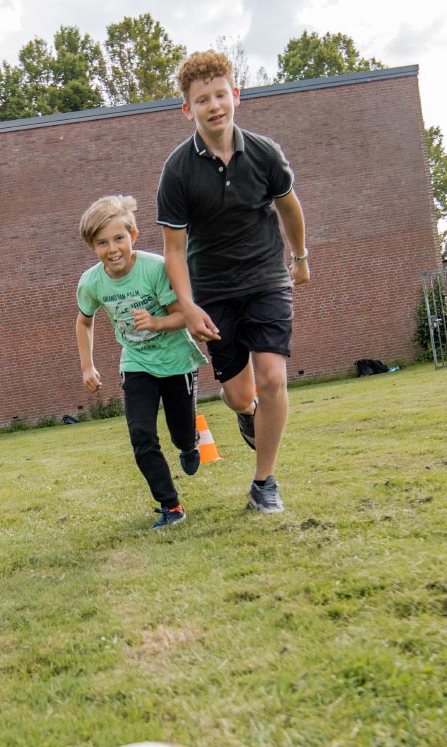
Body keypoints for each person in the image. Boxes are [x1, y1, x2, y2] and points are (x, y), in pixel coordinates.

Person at [155, 49, 310, 514]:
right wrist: (188, 306)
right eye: (202, 99)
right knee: (241, 394)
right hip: (214, 292)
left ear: (235, 96)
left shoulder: (265, 153)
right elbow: (174, 251)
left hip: (266, 279)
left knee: (273, 379)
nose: (214, 105)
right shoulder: (177, 171)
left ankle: (264, 482)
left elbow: (289, 206)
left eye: (220, 94)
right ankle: (247, 416)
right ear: (188, 109)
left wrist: (299, 256)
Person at [73, 195, 207, 530]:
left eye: (119, 238)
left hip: (176, 360)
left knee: (181, 433)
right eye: (102, 243)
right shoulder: (91, 282)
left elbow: (184, 315)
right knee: (142, 434)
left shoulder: (155, 268)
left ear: (133, 236)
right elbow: (84, 321)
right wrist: (87, 366)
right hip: (136, 363)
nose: (112, 249)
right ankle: (171, 506)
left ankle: (190, 444)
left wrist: (157, 322)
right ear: (92, 246)